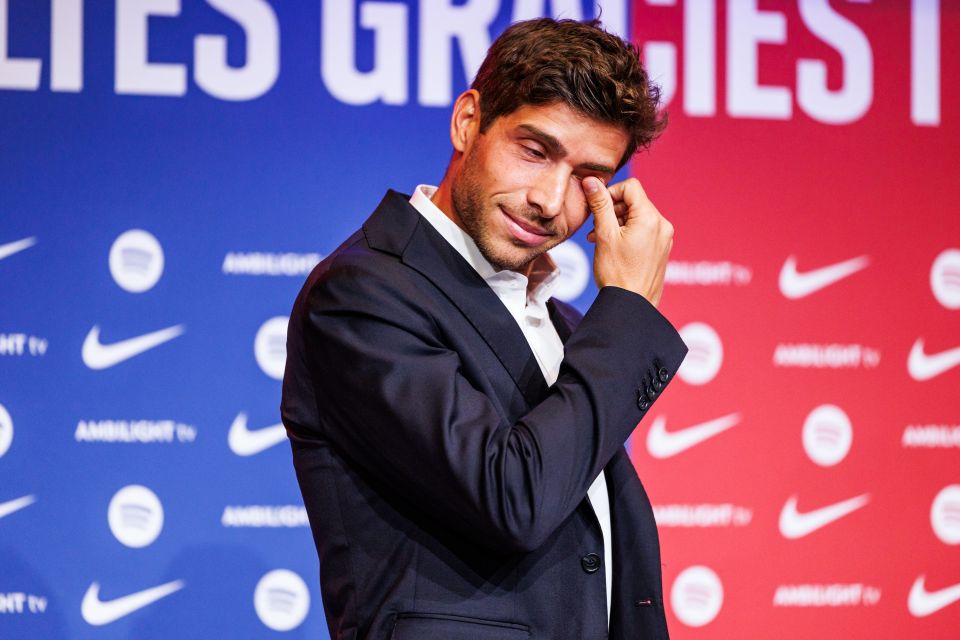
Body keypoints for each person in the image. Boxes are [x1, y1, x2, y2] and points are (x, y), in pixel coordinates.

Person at [282, 17, 687, 640]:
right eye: (535, 150)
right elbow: (513, 500)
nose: (551, 201)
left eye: (588, 178)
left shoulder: (569, 327)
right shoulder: (363, 294)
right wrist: (629, 310)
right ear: (469, 121)